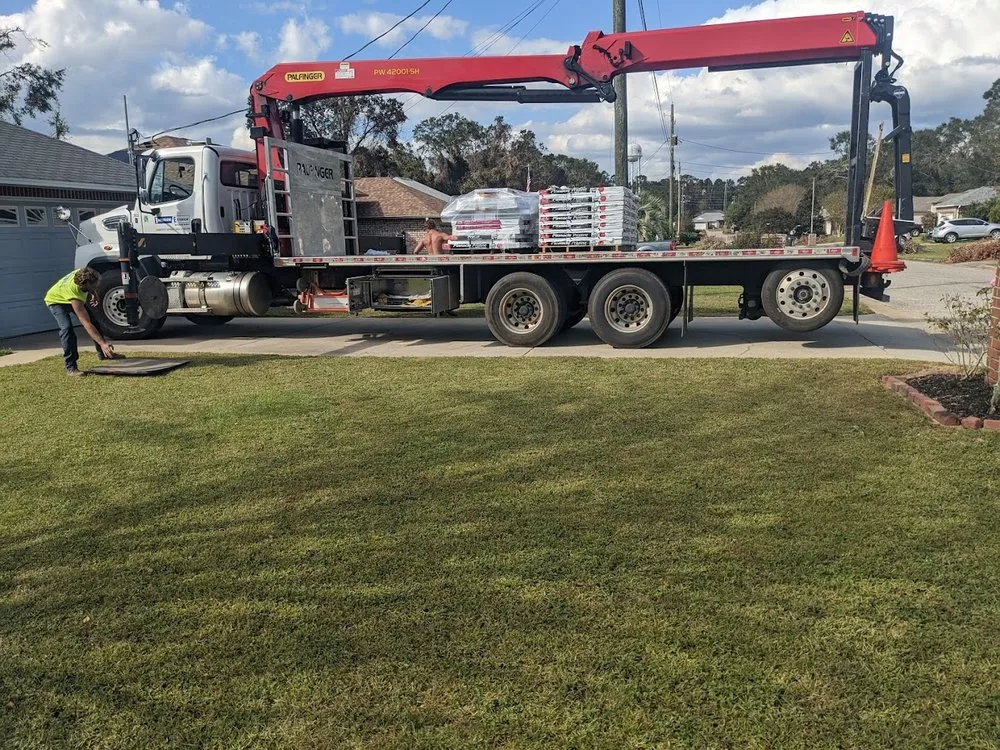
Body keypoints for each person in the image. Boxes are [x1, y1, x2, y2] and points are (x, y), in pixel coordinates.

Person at [43, 268, 122, 376]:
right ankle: (71, 367)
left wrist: (94, 294)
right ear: (86, 285)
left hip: (68, 292)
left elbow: (91, 283)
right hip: (55, 301)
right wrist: (103, 343)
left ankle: (105, 354)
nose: (98, 284)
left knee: (94, 322)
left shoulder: (83, 272)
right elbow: (86, 323)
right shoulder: (75, 294)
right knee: (67, 329)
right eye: (95, 284)